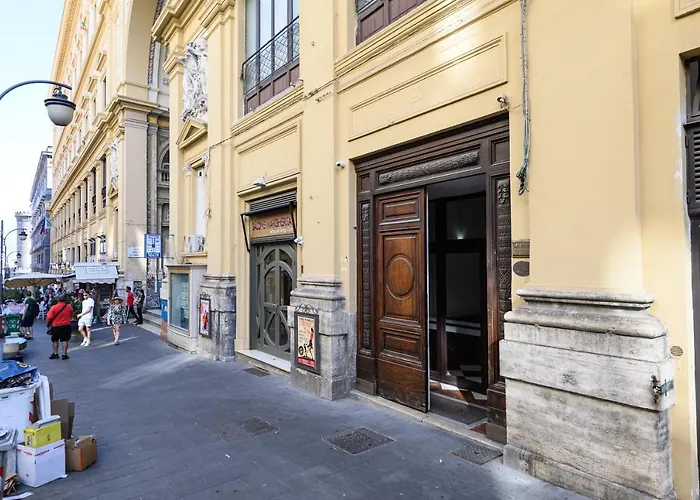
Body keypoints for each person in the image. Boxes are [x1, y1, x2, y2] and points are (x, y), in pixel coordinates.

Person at [46, 295, 74, 360]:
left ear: (57, 300)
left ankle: (55, 353)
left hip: (56, 325)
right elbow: (71, 314)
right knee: (65, 340)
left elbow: (49, 317)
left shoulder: (54, 307)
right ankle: (64, 354)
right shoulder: (69, 307)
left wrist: (49, 322)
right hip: (66, 325)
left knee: (55, 340)